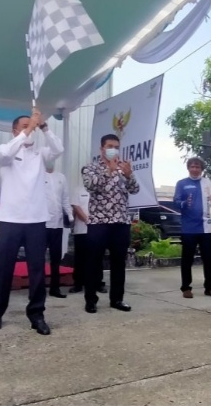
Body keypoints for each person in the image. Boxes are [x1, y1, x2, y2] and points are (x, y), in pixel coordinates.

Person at [0, 108, 63, 335]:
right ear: (14, 131)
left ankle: (37, 315)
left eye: (32, 126)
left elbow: (58, 149)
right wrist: (28, 129)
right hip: (10, 219)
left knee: (37, 270)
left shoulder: (40, 153)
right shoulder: (6, 150)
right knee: (3, 269)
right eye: (24, 126)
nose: (30, 129)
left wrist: (45, 128)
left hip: (36, 220)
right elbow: (3, 156)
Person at [81, 134, 139, 314]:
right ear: (102, 149)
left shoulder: (123, 168)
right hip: (99, 222)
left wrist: (129, 175)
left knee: (118, 263)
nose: (113, 149)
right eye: (110, 146)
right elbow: (91, 186)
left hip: (120, 222)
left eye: (116, 146)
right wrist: (108, 172)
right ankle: (91, 300)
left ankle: (117, 299)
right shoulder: (91, 168)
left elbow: (135, 189)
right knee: (93, 262)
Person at [173, 157, 211, 299]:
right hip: (189, 229)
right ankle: (186, 288)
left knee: (208, 260)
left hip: (206, 228)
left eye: (197, 167)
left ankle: (209, 288)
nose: (195, 169)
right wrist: (184, 203)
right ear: (188, 168)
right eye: (192, 167)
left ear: (201, 169)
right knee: (187, 260)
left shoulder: (207, 182)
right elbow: (176, 202)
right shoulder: (182, 183)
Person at [69, 176, 106, 294]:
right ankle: (78, 284)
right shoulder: (77, 190)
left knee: (97, 257)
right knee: (80, 258)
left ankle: (98, 283)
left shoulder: (100, 189)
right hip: (81, 230)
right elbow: (76, 207)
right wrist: (87, 220)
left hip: (97, 230)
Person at [44, 160, 73, 298]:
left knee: (56, 258)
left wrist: (70, 215)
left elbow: (65, 199)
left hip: (58, 224)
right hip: (42, 224)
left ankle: (55, 288)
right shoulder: (38, 176)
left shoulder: (61, 177)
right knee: (38, 258)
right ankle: (37, 289)